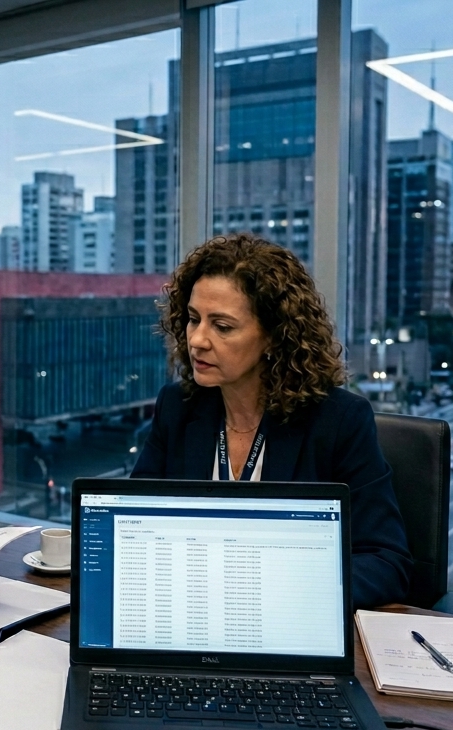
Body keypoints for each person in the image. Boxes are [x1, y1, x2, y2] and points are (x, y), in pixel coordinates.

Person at [131, 232, 411, 608]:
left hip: (288, 620)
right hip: (194, 611)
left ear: (274, 338)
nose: (197, 339)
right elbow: (137, 526)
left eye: (222, 326)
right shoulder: (178, 407)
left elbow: (385, 562)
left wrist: (273, 588)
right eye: (194, 319)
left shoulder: (338, 421)